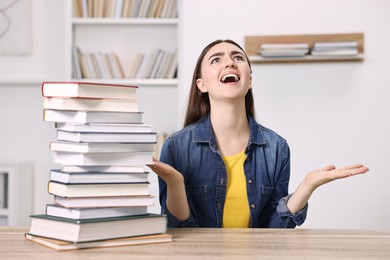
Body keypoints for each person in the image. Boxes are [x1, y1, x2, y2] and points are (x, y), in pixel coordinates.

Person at [148, 39, 369, 228]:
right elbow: (177, 230)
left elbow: (272, 229)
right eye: (216, 59)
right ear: (201, 84)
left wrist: (306, 187)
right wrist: (175, 183)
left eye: (237, 58)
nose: (229, 62)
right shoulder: (176, 147)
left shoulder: (277, 148)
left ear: (250, 80)